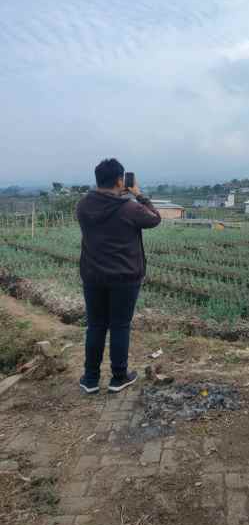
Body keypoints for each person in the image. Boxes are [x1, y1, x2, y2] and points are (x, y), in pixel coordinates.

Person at [76, 159, 161, 394]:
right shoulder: (129, 207)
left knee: (95, 326)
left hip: (93, 276)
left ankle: (91, 379)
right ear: (119, 180)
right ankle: (118, 377)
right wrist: (139, 195)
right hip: (125, 278)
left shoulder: (83, 205)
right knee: (120, 326)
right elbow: (155, 218)